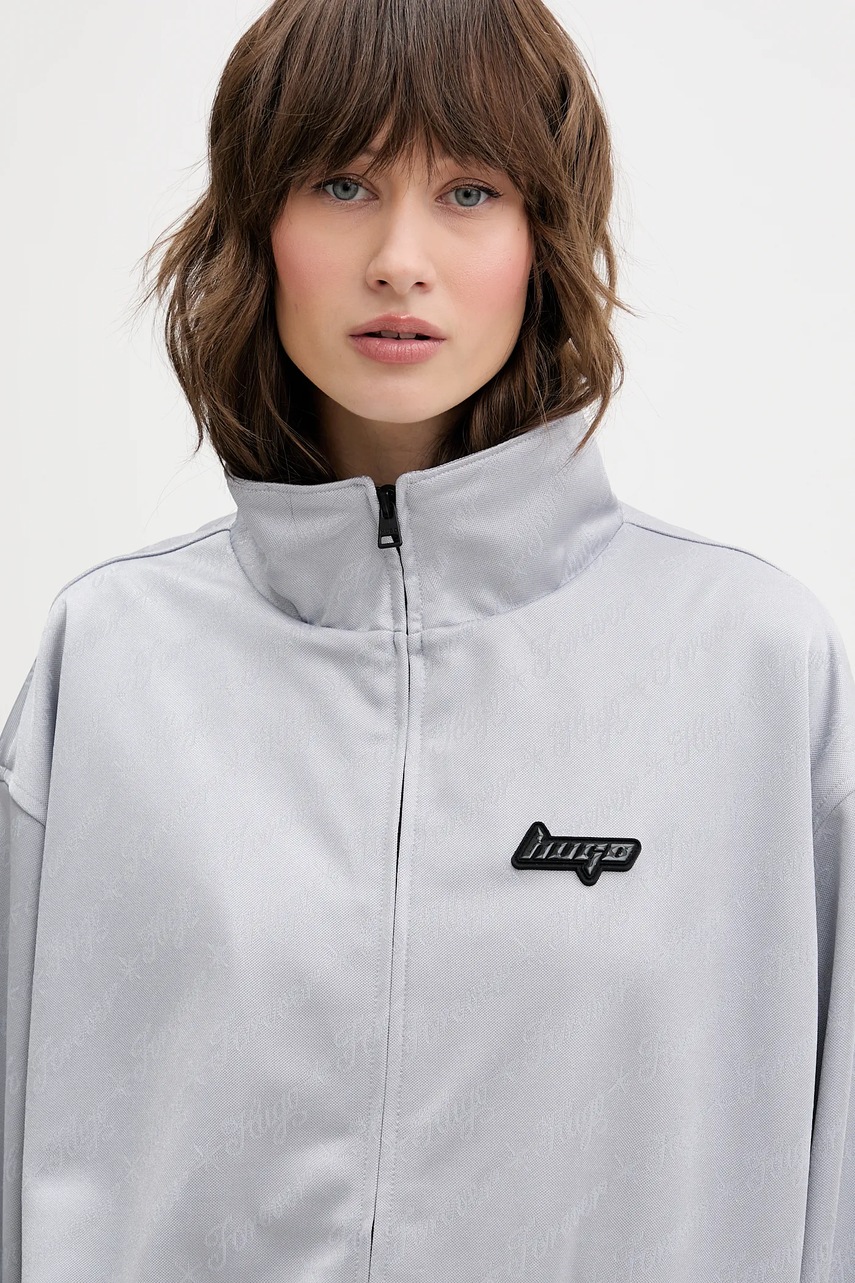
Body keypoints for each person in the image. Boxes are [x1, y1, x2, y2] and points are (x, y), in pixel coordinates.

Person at [1, 0, 852, 1278]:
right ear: (258, 225)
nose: (400, 258)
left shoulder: (753, 667)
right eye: (343, 183)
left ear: (541, 239)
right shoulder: (112, 661)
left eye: (469, 192)